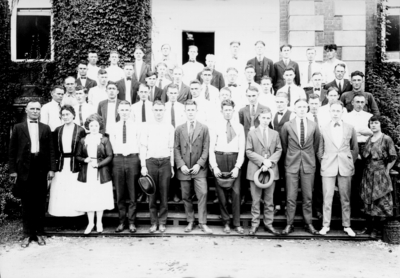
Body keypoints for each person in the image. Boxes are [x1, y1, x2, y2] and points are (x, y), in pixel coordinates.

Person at [9, 101, 56, 248]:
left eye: (37, 109)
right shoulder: (18, 128)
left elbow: (51, 150)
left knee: (40, 202)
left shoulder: (45, 128)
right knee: (27, 203)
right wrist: (12, 170)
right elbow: (12, 151)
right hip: (24, 169)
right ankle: (27, 234)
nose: (35, 111)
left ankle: (40, 233)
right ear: (26, 110)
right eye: (32, 109)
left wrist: (52, 168)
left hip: (41, 168)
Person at [318, 100, 358, 237]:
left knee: (345, 198)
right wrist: (324, 161)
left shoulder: (350, 127)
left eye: (338, 111)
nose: (335, 113)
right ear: (329, 112)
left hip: (344, 166)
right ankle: (325, 225)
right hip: (328, 165)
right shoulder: (323, 128)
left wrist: (348, 161)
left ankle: (347, 225)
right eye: (333, 110)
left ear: (342, 112)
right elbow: (320, 149)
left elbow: (354, 148)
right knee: (327, 197)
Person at [280, 98, 320, 235]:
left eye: (304, 106)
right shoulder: (287, 125)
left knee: (307, 196)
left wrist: (307, 157)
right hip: (291, 164)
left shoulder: (314, 125)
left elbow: (316, 145)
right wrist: (291, 156)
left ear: (307, 108)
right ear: (294, 109)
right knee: (290, 197)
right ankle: (289, 224)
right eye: (299, 107)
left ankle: (308, 223)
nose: (302, 109)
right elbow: (284, 145)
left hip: (308, 164)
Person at [174, 99, 213, 234]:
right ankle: (190, 221)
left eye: (192, 110)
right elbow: (176, 148)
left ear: (196, 111)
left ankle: (202, 222)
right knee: (186, 195)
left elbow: (206, 148)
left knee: (203, 193)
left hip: (199, 169)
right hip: (184, 168)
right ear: (185, 112)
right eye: (188, 110)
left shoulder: (204, 128)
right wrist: (181, 165)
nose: (190, 112)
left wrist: (199, 164)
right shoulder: (179, 129)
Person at [209, 99, 245, 234]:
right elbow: (211, 148)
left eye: (230, 110)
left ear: (233, 111)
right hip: (220, 158)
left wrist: (237, 167)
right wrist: (214, 166)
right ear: (221, 111)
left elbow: (241, 149)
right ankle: (226, 223)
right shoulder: (216, 126)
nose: (228, 112)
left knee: (236, 193)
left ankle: (236, 223)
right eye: (225, 110)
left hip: (234, 158)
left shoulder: (239, 127)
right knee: (221, 194)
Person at [75, 114, 114, 234]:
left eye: (96, 125)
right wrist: (84, 160)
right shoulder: (83, 140)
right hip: (87, 172)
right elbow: (77, 155)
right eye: (91, 125)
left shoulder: (104, 139)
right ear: (88, 127)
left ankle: (99, 222)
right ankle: (90, 223)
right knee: (89, 197)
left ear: (99, 126)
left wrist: (99, 164)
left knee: (99, 197)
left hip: (101, 172)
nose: (94, 128)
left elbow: (110, 155)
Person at [359, 116, 397, 238]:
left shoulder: (386, 139)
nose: (373, 125)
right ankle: (368, 227)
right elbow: (365, 155)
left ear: (380, 125)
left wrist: (387, 169)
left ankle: (376, 229)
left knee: (378, 199)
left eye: (376, 123)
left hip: (380, 173)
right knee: (367, 199)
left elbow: (393, 156)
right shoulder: (369, 139)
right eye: (371, 123)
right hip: (368, 172)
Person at [246, 107, 282, 236]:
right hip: (256, 170)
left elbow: (279, 150)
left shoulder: (275, 133)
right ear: (259, 118)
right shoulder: (252, 133)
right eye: (263, 118)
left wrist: (269, 162)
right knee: (255, 200)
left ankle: (268, 224)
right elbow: (248, 151)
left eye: (268, 118)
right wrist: (262, 162)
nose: (266, 120)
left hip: (270, 170)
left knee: (269, 200)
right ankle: (254, 225)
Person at [140, 100, 175, 233]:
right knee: (152, 194)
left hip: (165, 162)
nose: (159, 113)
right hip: (151, 162)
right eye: (156, 110)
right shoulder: (147, 126)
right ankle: (153, 222)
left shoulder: (169, 127)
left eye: (161, 110)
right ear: (152, 111)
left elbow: (171, 148)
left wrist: (171, 166)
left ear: (164, 111)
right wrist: (143, 165)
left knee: (164, 194)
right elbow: (143, 147)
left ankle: (162, 222)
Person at [48, 105, 86, 222]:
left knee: (74, 191)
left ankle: (75, 219)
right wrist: (53, 166)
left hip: (75, 164)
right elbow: (53, 149)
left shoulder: (80, 130)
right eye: (63, 115)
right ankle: (61, 219)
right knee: (60, 191)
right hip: (61, 163)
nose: (65, 117)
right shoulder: (58, 130)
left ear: (73, 115)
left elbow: (84, 149)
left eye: (68, 114)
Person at [109, 101, 141, 233]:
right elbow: (112, 144)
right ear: (118, 111)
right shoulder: (113, 126)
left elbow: (139, 143)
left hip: (133, 158)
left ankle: (132, 222)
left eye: (127, 110)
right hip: (118, 159)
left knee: (133, 193)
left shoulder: (136, 126)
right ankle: (122, 222)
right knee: (120, 193)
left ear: (130, 111)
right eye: (122, 110)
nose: (124, 112)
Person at [343, 94, 373, 216]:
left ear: (365, 103)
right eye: (357, 102)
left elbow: (372, 132)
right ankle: (352, 207)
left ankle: (363, 207)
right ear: (352, 103)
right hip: (351, 147)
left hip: (366, 147)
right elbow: (346, 133)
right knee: (351, 178)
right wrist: (361, 131)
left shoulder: (369, 116)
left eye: (362, 102)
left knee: (364, 178)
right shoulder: (346, 116)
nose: (360, 104)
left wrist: (357, 131)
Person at [271, 92, 295, 214]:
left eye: (282, 102)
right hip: (276, 152)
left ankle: (286, 206)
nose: (279, 104)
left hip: (287, 152)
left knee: (287, 179)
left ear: (287, 102)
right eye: (278, 102)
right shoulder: (273, 115)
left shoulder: (292, 115)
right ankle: (277, 205)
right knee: (276, 178)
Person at [306, 94, 323, 218]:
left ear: (320, 104)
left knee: (318, 183)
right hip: (307, 155)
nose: (314, 106)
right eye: (311, 103)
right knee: (307, 185)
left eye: (316, 103)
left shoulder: (325, 117)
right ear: (308, 104)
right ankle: (306, 209)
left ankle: (317, 209)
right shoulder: (304, 117)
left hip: (321, 155)